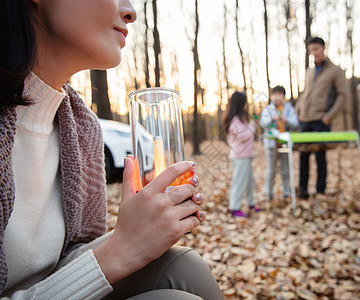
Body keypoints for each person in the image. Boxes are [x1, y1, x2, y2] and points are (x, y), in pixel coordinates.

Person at [0, 0, 223, 299]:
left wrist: (136, 236)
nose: (131, 10)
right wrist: (120, 251)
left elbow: (66, 263)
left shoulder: (81, 128)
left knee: (184, 265)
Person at [295, 37, 347, 199]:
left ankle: (320, 191)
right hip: (305, 120)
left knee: (320, 157)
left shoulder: (335, 71)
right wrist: (298, 111)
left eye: (316, 49)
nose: (313, 53)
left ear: (323, 48)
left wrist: (329, 116)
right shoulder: (310, 71)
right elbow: (305, 93)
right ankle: (303, 190)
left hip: (321, 120)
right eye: (311, 50)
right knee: (303, 156)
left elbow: (342, 96)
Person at [260, 86, 299, 202]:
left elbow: (295, 124)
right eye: (274, 94)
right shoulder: (268, 109)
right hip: (272, 144)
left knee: (286, 169)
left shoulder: (289, 109)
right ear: (271, 96)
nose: (277, 97)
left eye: (279, 94)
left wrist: (285, 119)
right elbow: (263, 123)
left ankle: (286, 193)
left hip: (285, 143)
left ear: (283, 96)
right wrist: (272, 119)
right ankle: (269, 194)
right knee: (271, 170)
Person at [223, 92, 259, 218]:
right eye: (245, 102)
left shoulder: (241, 118)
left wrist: (251, 125)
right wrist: (253, 126)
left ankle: (251, 203)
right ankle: (234, 207)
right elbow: (244, 135)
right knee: (239, 181)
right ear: (239, 103)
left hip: (246, 156)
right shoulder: (234, 120)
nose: (246, 105)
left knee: (250, 181)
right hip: (240, 157)